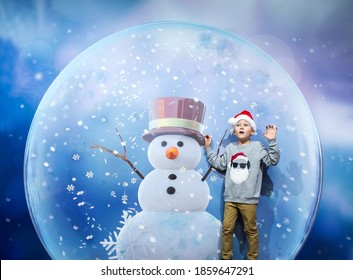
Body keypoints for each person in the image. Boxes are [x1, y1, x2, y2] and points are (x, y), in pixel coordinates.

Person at [204, 110, 280, 260]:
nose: (241, 127)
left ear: (252, 131)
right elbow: (219, 163)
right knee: (226, 229)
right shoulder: (231, 148)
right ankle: (226, 260)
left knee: (250, 230)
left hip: (249, 199)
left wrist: (272, 141)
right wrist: (208, 148)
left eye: (245, 124)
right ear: (234, 130)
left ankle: (252, 260)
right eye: (238, 124)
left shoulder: (257, 147)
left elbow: (272, 160)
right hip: (230, 199)